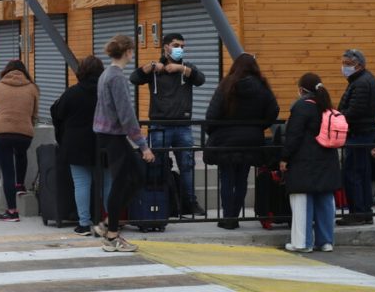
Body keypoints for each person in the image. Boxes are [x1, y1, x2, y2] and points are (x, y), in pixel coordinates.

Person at [130, 32, 206, 216]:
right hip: (159, 125)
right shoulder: (156, 70)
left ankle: (190, 202)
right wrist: (151, 67)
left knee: (186, 165)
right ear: (165, 47)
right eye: (175, 45)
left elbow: (201, 79)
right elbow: (134, 78)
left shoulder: (186, 68)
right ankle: (161, 201)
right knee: (158, 165)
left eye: (182, 46)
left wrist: (181, 70)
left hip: (183, 126)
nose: (180, 49)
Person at [93, 35, 155, 252]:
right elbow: (126, 114)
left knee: (132, 177)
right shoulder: (117, 78)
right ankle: (111, 234)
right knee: (127, 180)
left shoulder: (105, 74)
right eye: (132, 50)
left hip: (106, 134)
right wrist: (143, 145)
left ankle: (108, 225)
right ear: (128, 51)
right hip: (114, 136)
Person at [205, 53, 279, 229]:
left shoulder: (226, 85)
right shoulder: (262, 87)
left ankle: (228, 217)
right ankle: (236, 215)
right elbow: (273, 110)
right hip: (251, 140)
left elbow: (212, 115)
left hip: (226, 140)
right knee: (241, 179)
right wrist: (259, 127)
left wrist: (214, 132)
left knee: (227, 178)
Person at [51, 55, 112, 236]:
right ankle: (110, 222)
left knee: (81, 184)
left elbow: (57, 112)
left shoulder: (72, 93)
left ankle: (84, 224)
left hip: (76, 145)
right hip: (104, 143)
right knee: (107, 183)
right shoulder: (106, 93)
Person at [279, 73, 341, 253]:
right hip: (328, 161)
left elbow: (294, 136)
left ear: (301, 89)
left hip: (304, 163)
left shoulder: (301, 107)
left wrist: (285, 158)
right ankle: (326, 242)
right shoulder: (326, 106)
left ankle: (303, 243)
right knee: (325, 201)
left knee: (302, 201)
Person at [337, 49, 375, 226]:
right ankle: (364, 211)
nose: (344, 68)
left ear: (359, 65)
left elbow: (355, 111)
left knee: (353, 173)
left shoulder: (361, 83)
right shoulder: (362, 80)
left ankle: (358, 212)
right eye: (344, 64)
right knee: (361, 172)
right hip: (364, 133)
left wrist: (338, 116)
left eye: (348, 64)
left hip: (358, 134)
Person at [0, 60, 39, 222]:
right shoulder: (32, 88)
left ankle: (12, 211)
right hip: (25, 132)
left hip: (1, 132)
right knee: (21, 153)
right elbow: (34, 113)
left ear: (6, 71)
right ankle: (20, 185)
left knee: (7, 170)